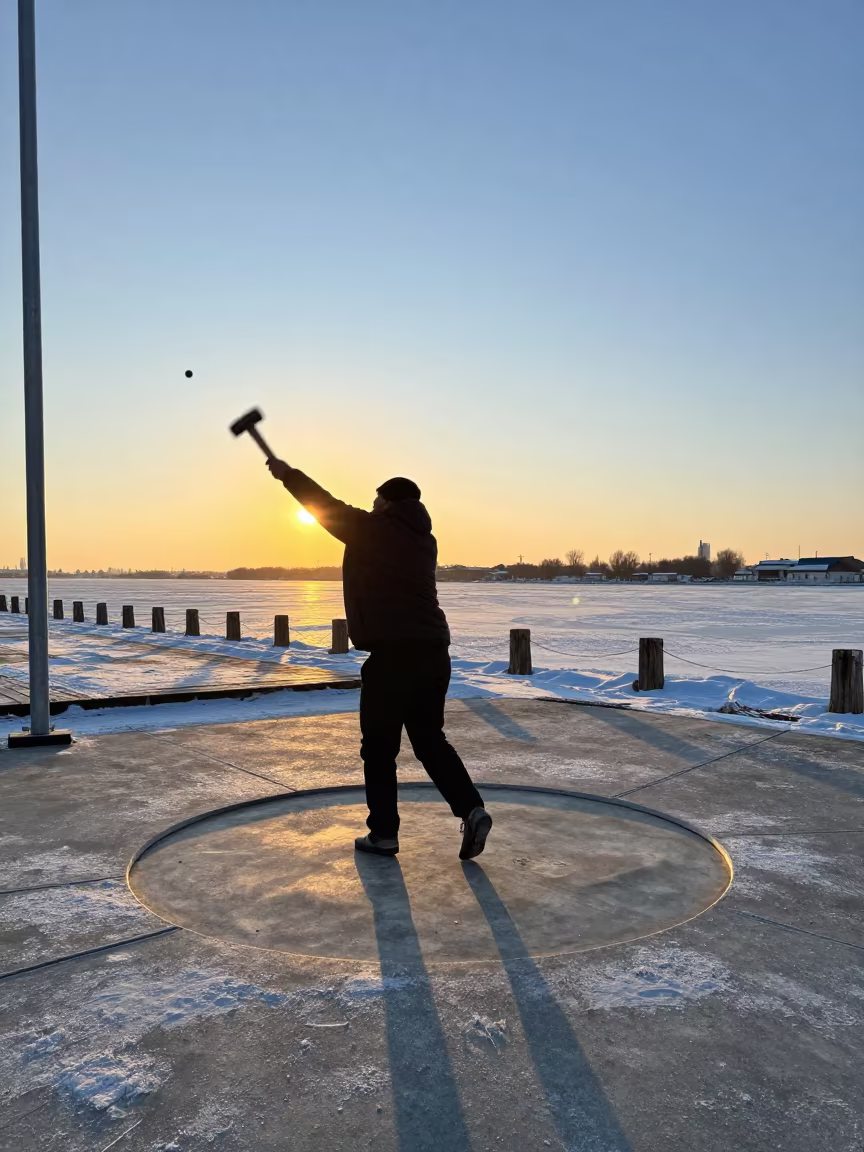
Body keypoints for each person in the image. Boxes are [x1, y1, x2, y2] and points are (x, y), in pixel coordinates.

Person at [266, 458, 492, 860]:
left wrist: (289, 475)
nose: (370, 507)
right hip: (433, 653)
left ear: (388, 503)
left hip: (393, 657)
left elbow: (325, 505)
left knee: (379, 748)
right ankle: (471, 809)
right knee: (430, 740)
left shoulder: (376, 530)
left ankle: (384, 833)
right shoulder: (424, 539)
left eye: (375, 501)